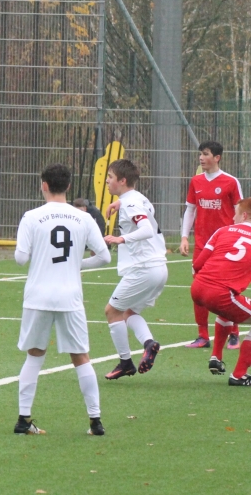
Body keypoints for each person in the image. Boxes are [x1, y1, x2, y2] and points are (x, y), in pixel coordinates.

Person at [13, 164, 111, 436]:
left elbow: (20, 258)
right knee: (81, 357)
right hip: (70, 297)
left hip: (38, 296)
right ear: (68, 186)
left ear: (43, 185)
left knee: (34, 355)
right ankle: (95, 421)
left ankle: (23, 420)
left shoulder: (31, 217)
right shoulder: (83, 218)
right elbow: (104, 257)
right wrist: (77, 264)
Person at [102, 159, 167, 380]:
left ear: (122, 181)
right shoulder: (139, 198)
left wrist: (121, 238)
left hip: (144, 269)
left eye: (110, 177)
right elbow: (143, 211)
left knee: (112, 311)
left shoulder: (131, 204)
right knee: (128, 313)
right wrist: (119, 203)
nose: (107, 181)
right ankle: (149, 344)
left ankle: (125, 362)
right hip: (158, 268)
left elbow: (146, 229)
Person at [180, 141, 243, 349]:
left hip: (225, 246)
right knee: (199, 289)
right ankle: (202, 336)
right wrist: (184, 237)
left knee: (225, 289)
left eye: (206, 154)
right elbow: (190, 210)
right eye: (200, 154)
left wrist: (238, 236)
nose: (201, 157)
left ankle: (234, 332)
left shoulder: (230, 182)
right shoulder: (196, 181)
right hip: (202, 245)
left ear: (217, 157)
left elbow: (241, 212)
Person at [191, 198, 251, 385]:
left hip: (198, 288)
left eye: (235, 214)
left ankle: (216, 357)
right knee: (228, 302)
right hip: (220, 293)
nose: (233, 218)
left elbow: (197, 265)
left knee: (228, 308)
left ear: (244, 216)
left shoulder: (222, 230)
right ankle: (239, 375)